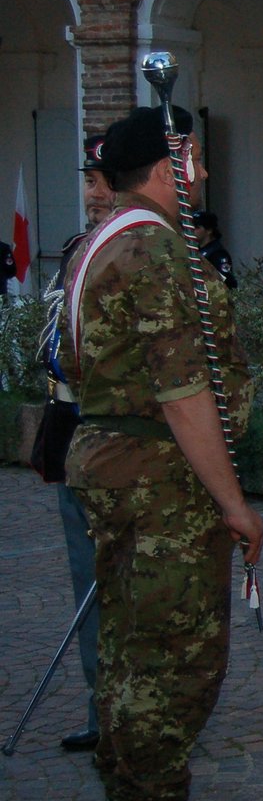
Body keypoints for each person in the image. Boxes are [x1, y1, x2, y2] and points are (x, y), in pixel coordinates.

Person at [62, 106, 263, 801]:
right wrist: (234, 503)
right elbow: (183, 393)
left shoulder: (105, 240)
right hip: (158, 480)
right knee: (172, 655)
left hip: (125, 469)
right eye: (194, 160)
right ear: (165, 166)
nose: (204, 174)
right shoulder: (151, 250)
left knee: (131, 645)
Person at [38, 135, 115, 751]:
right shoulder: (74, 252)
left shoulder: (160, 256)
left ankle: (147, 715)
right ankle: (102, 707)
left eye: (102, 180)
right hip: (75, 438)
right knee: (86, 578)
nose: (92, 193)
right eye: (88, 179)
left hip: (126, 445)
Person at [192, 210, 237, 289]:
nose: (192, 230)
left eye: (196, 227)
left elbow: (227, 282)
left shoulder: (218, 253)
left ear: (209, 230)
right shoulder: (196, 250)